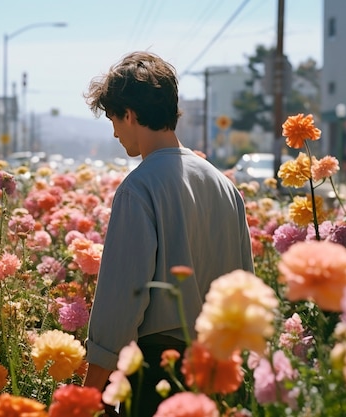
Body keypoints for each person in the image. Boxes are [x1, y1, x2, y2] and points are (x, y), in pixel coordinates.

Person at [82, 51, 255, 416]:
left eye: (114, 119)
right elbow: (245, 289)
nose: (113, 132)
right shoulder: (224, 187)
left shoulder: (138, 188)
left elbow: (121, 302)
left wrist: (91, 392)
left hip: (159, 374)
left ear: (129, 114)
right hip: (219, 370)